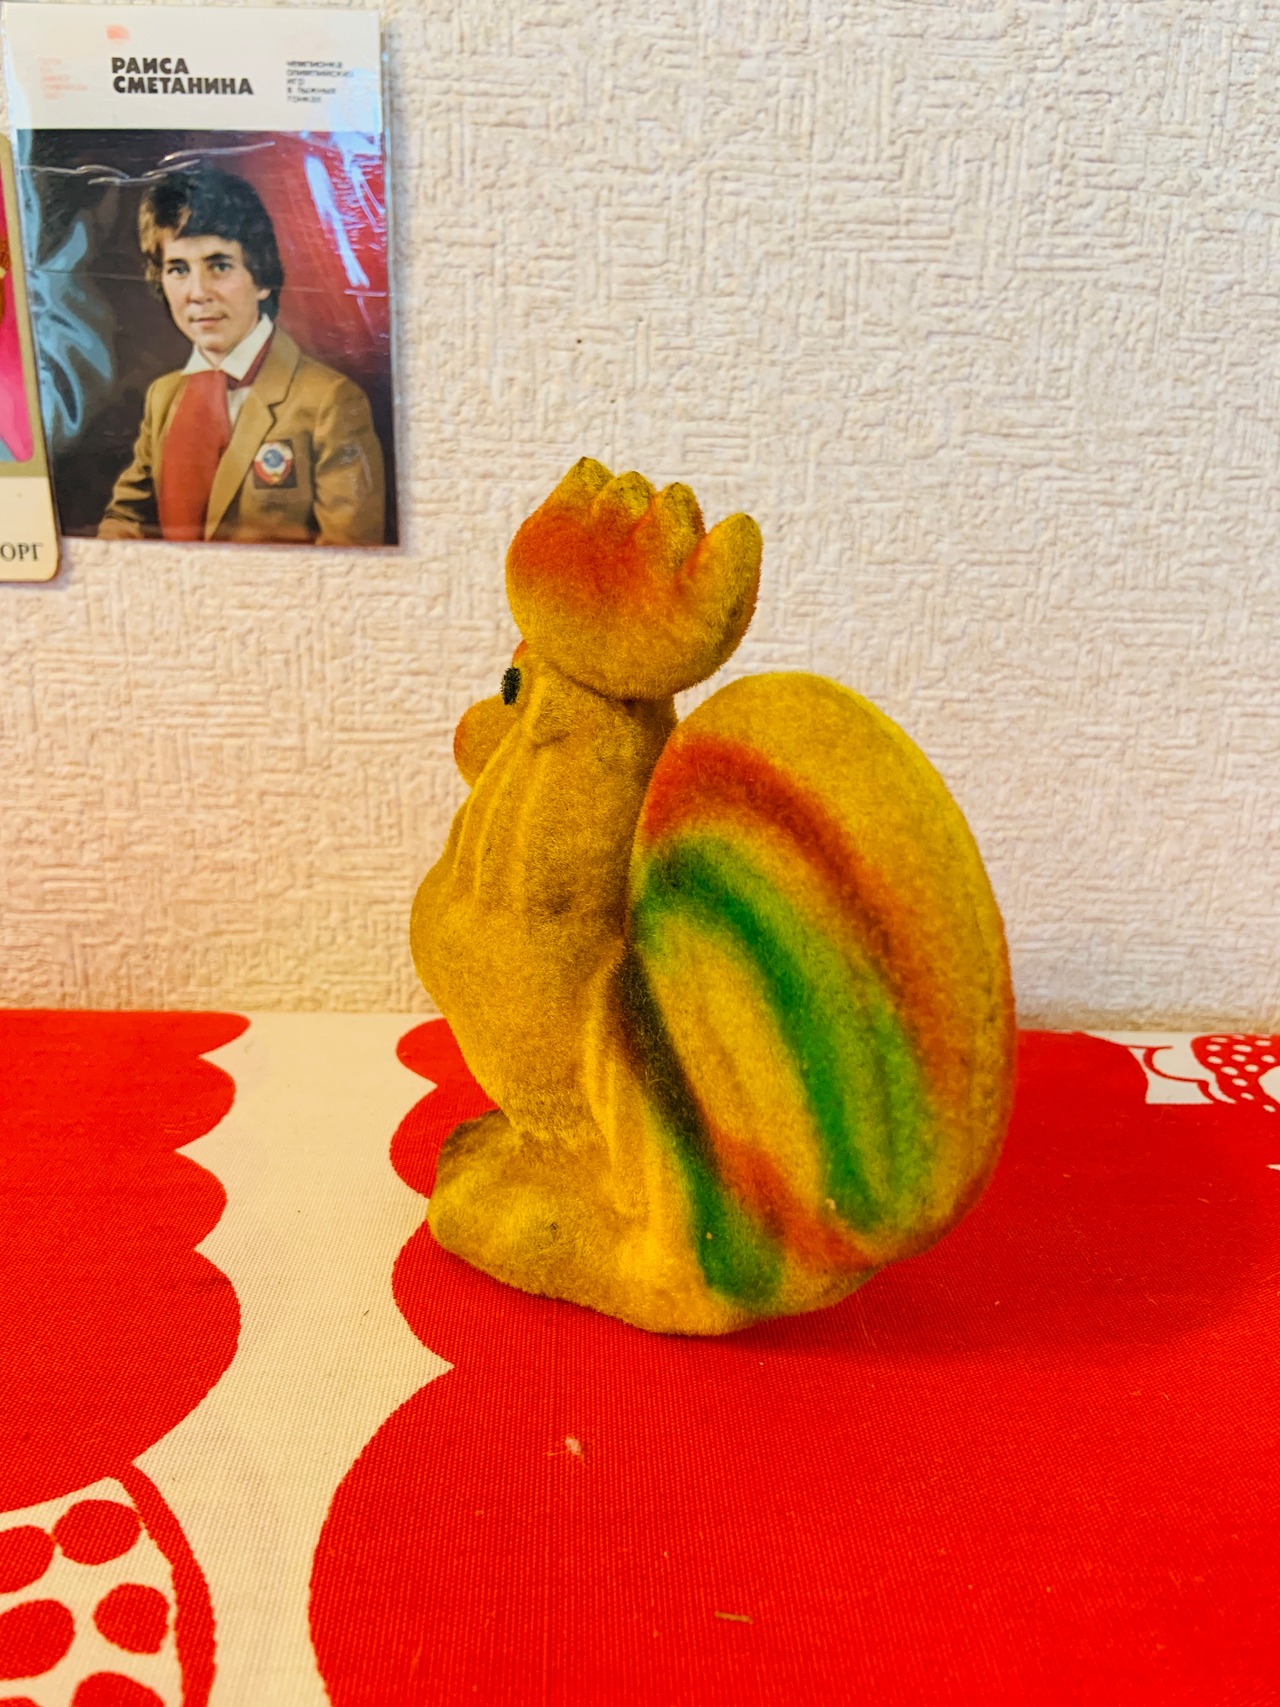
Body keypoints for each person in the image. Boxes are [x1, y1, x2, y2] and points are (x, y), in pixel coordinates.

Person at [99, 166, 385, 545]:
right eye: (178, 269)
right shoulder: (163, 397)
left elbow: (351, 555)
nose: (198, 293)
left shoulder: (328, 402)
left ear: (261, 277)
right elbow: (127, 518)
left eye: (219, 266)